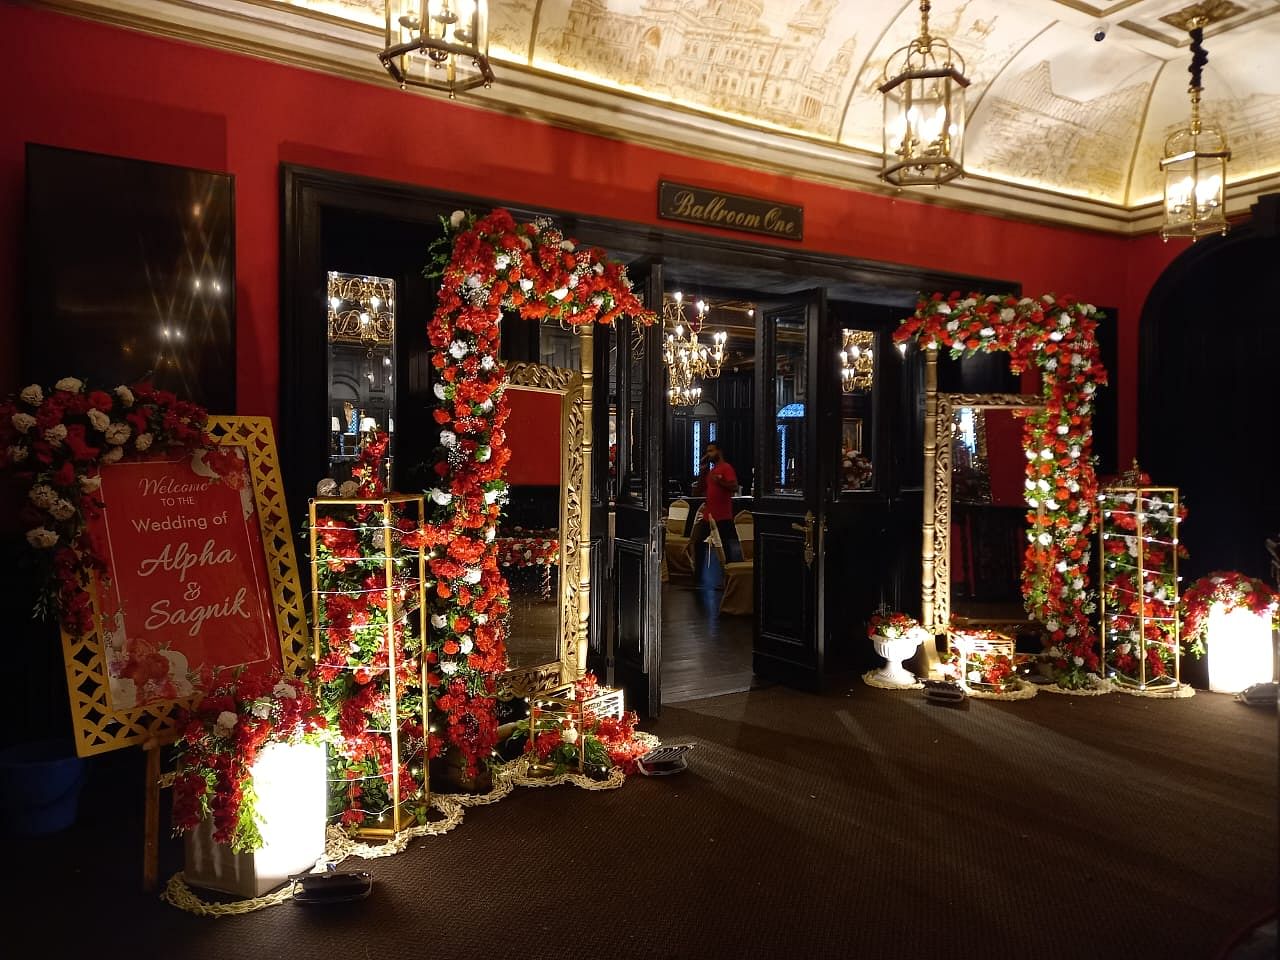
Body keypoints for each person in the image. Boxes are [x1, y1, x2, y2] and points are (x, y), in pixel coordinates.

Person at [686, 442, 742, 580]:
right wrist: (703, 471)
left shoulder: (726, 468)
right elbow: (697, 491)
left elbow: (734, 486)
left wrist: (720, 482)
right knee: (698, 542)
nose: (708, 454)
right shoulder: (711, 471)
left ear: (719, 452)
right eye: (707, 452)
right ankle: (698, 575)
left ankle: (731, 575)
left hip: (723, 515)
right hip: (709, 514)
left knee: (727, 545)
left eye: (711, 451)